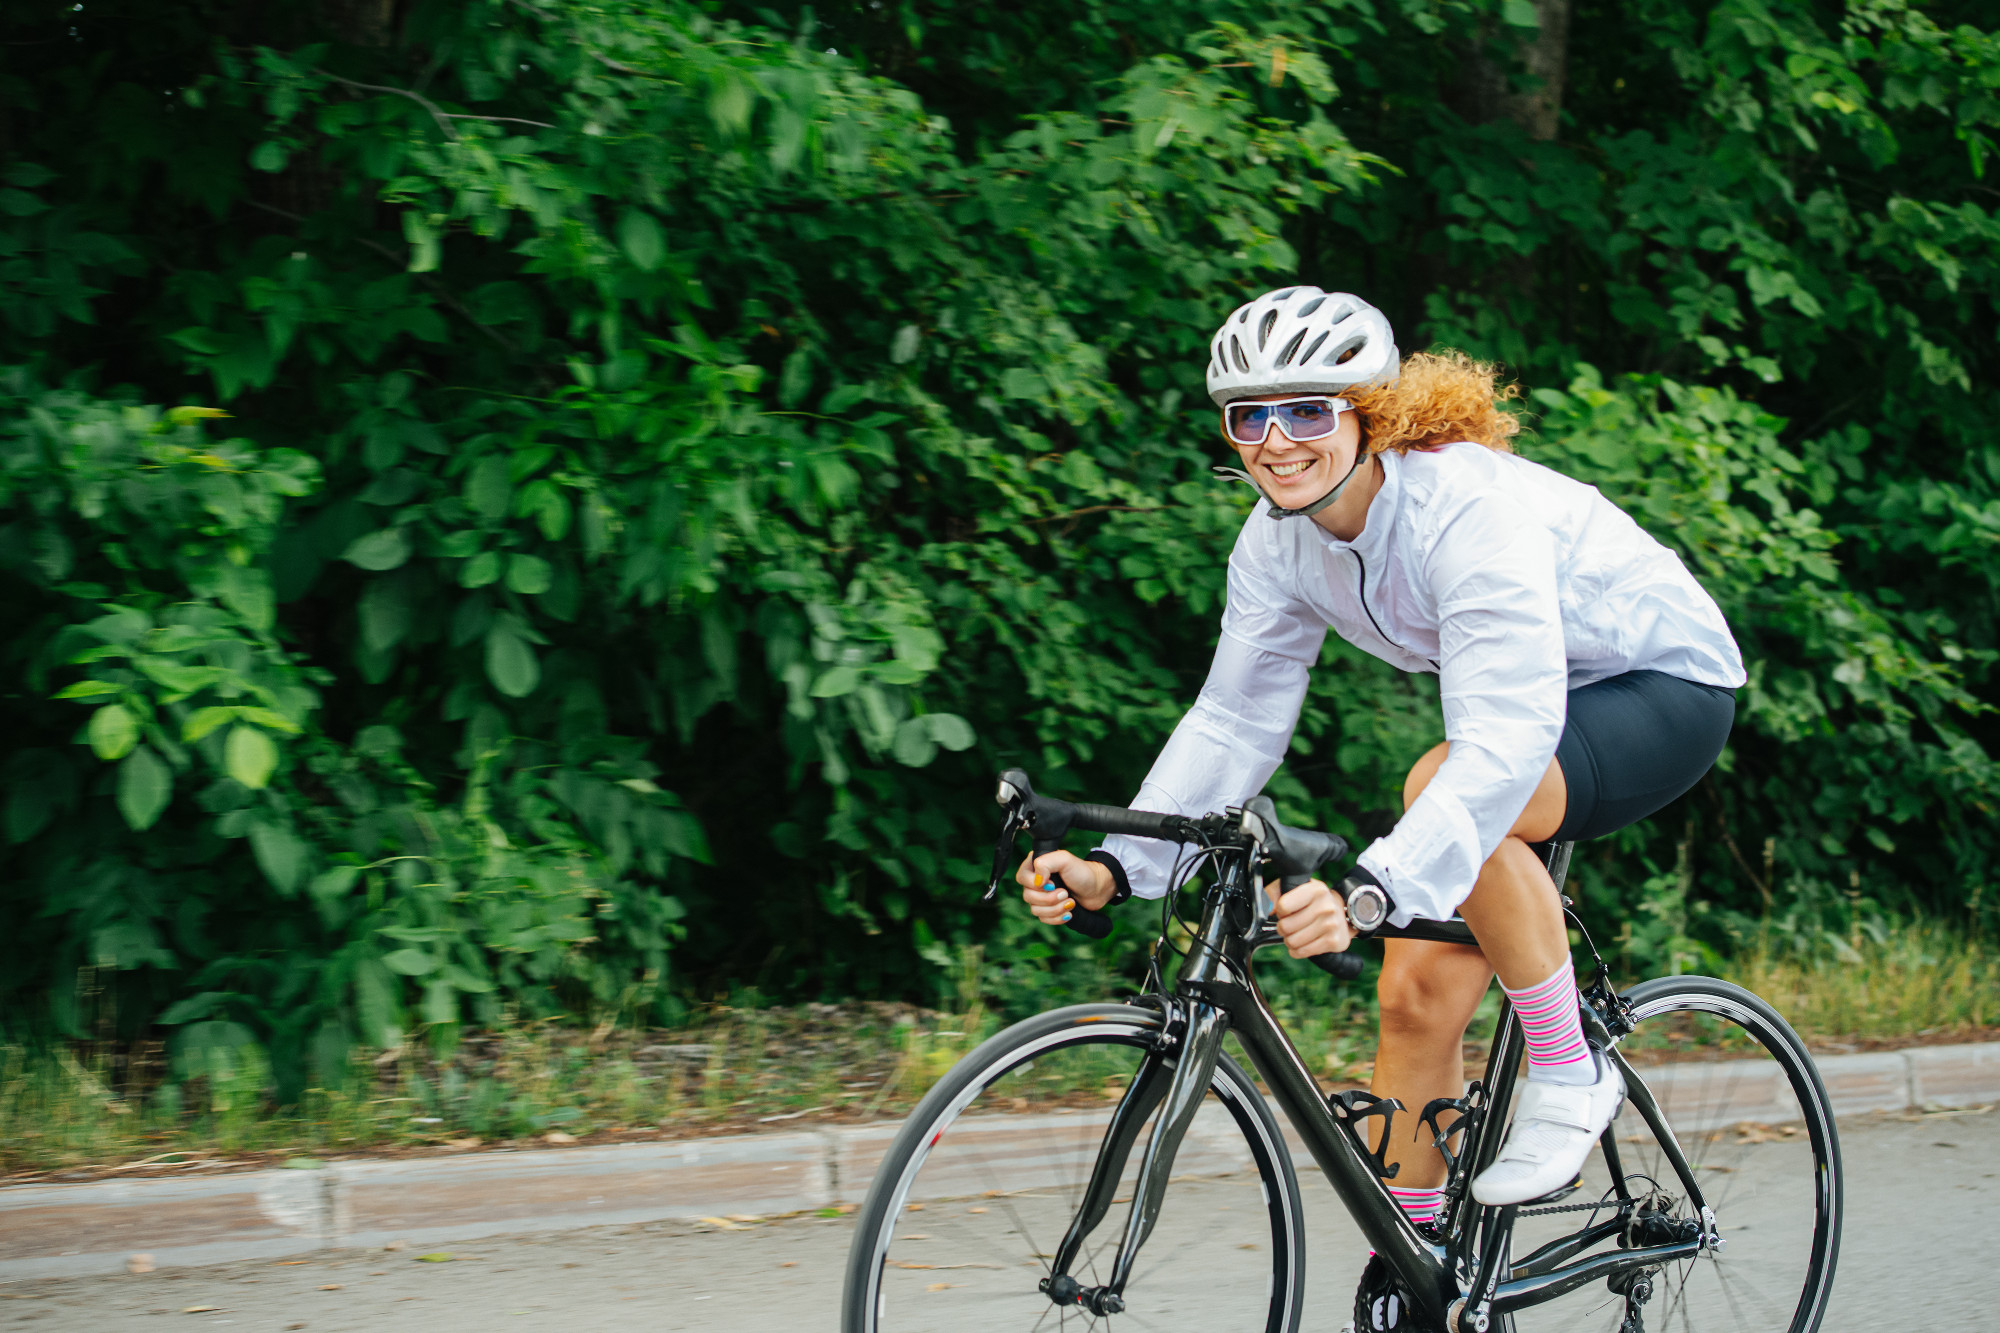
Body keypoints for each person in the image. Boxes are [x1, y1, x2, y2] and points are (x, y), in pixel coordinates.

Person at [1014, 288, 1744, 1329]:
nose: (1275, 441)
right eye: (1247, 416)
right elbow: (1230, 722)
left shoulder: (1462, 505)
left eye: (1306, 410)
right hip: (1519, 718)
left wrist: (1370, 888)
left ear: (1367, 410)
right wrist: (1117, 865)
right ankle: (1423, 1274)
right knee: (1407, 997)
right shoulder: (1277, 543)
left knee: (1436, 785)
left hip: (1657, 688)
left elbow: (1498, 743)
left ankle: (1570, 1067)